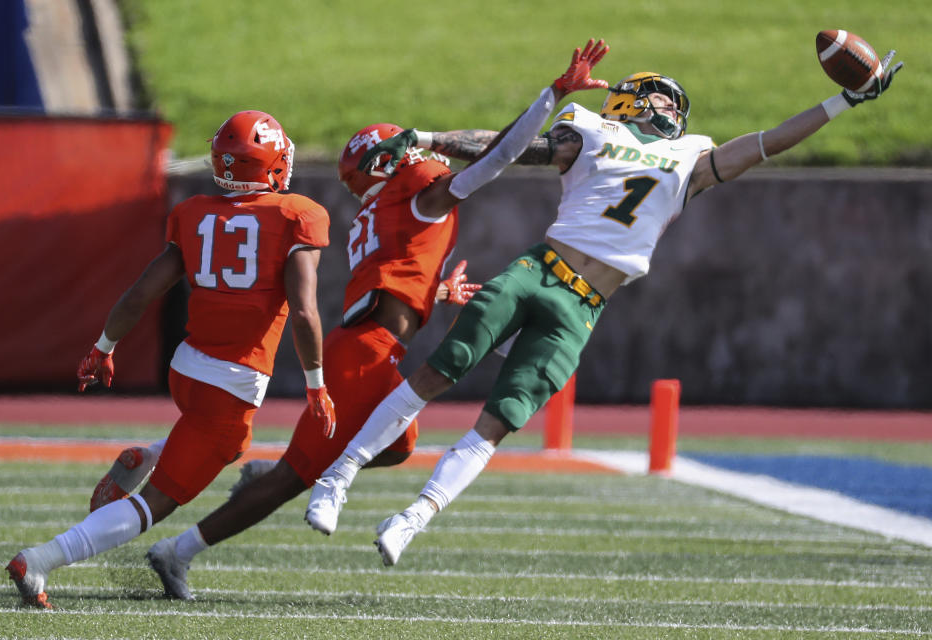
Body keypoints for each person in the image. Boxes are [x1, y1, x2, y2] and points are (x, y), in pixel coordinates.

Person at [305, 44, 905, 567]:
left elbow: (768, 143)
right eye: (663, 100)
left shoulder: (692, 156)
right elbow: (512, 149)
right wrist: (435, 138)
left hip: (586, 306)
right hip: (538, 271)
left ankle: (413, 519)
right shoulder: (591, 129)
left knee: (501, 419)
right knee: (441, 371)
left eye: (675, 104)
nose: (672, 111)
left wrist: (842, 104)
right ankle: (338, 477)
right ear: (629, 100)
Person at [139, 121, 484, 600]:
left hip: (373, 346)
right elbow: (496, 156)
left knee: (399, 445)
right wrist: (543, 102)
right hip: (366, 351)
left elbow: (392, 279)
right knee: (292, 480)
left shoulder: (387, 207)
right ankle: (178, 550)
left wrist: (439, 290)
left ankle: (303, 468)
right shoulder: (415, 191)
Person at [6, 109, 335, 608]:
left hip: (186, 368)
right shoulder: (298, 215)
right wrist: (316, 383)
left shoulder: (196, 211)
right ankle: (42, 560)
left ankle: (152, 454)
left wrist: (103, 347)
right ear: (271, 163)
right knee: (157, 503)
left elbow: (141, 293)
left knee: (230, 443)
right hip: (232, 380)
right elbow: (306, 313)